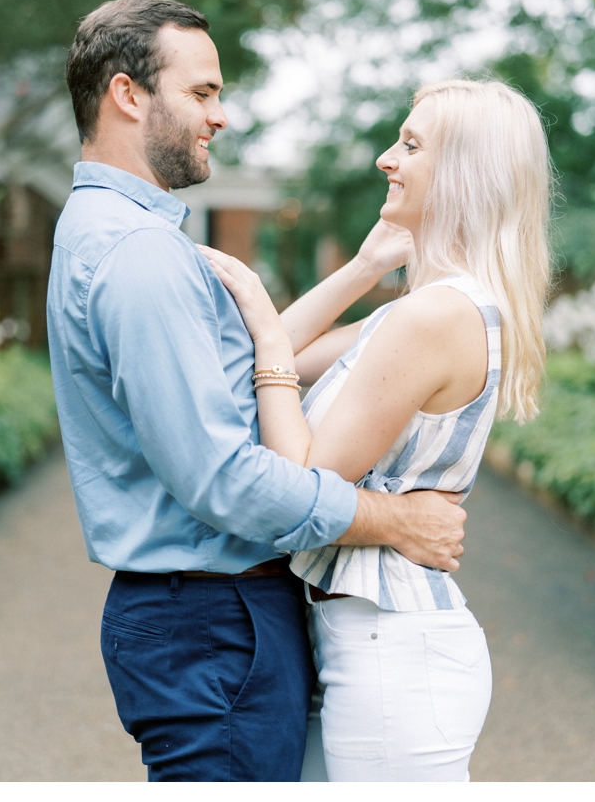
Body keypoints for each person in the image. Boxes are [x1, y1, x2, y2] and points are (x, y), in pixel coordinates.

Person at [46, 0, 470, 781]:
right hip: (212, 620)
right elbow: (224, 479)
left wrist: (366, 268)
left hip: (208, 616)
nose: (222, 115)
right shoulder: (138, 254)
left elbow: (247, 368)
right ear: (128, 95)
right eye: (203, 92)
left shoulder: (116, 232)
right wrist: (394, 521)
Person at [200, 78, 550, 780]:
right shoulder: (421, 309)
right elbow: (262, 364)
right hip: (361, 642)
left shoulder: (437, 315)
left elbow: (305, 490)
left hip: (394, 653)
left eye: (411, 144)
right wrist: (363, 268)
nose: (387, 159)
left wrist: (262, 317)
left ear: (464, 175)